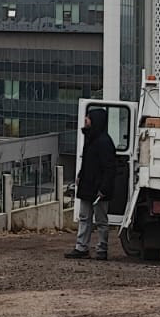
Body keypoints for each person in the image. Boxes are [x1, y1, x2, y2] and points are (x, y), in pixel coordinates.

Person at [66, 107, 117, 260]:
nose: (85, 120)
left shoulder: (104, 142)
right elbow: (87, 162)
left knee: (101, 220)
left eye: (88, 118)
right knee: (84, 217)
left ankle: (102, 249)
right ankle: (81, 247)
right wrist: (80, 175)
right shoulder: (91, 139)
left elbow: (109, 168)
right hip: (87, 186)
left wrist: (103, 189)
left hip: (98, 190)